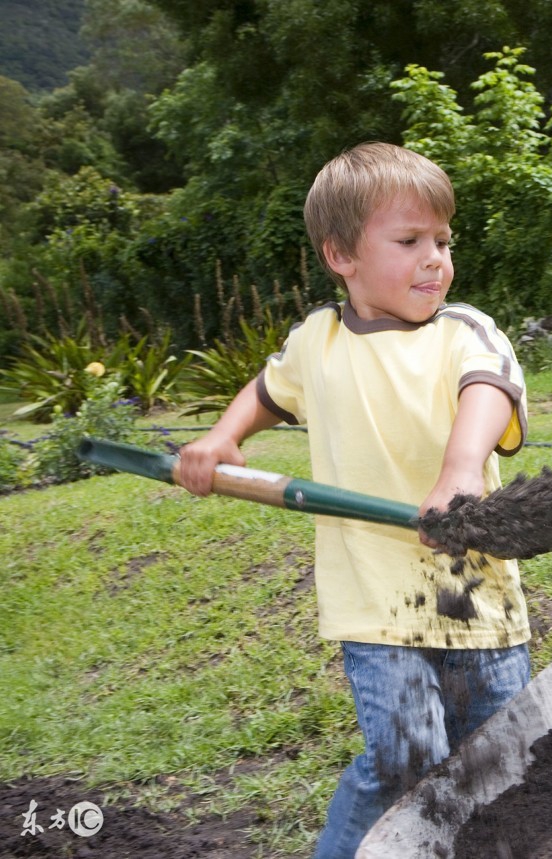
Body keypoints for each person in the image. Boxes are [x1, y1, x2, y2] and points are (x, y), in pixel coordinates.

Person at [174, 141, 531, 859]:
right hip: (375, 605)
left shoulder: (464, 331)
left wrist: (461, 471)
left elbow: (488, 391)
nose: (435, 258)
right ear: (341, 255)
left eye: (443, 240)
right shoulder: (318, 340)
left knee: (502, 755)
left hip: (478, 596)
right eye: (409, 241)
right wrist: (220, 438)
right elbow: (269, 389)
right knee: (407, 754)